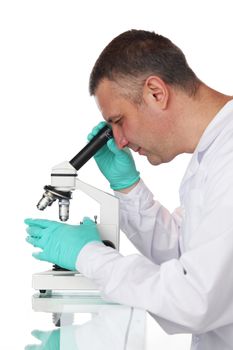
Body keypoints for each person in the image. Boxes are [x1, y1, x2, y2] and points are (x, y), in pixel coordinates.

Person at [25, 30, 233, 349]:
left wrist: (89, 256)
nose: (119, 140)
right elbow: (190, 253)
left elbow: (195, 298)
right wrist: (128, 187)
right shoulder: (213, 153)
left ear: (155, 92)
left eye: (119, 120)